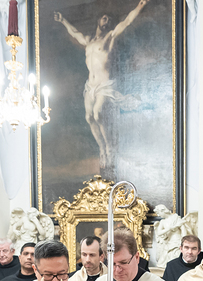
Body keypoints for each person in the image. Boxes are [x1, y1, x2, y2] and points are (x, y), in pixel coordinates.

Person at [53, 0, 149, 170]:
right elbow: (75, 33)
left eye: (109, 19)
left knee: (98, 114)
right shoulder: (89, 41)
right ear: (98, 20)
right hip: (90, 85)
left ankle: (110, 148)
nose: (106, 20)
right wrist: (63, 20)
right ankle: (102, 149)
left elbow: (127, 21)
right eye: (104, 17)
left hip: (104, 84)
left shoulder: (110, 37)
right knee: (89, 117)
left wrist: (140, 5)